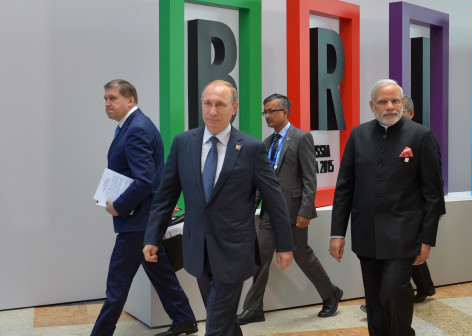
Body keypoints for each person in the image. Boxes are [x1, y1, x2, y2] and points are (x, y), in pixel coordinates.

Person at [143, 80, 294, 336]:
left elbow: (274, 199)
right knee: (222, 319)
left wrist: (285, 244)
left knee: (215, 324)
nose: (213, 111)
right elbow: (166, 196)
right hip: (197, 249)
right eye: (208, 104)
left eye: (220, 105)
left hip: (234, 251)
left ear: (234, 108)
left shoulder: (251, 148)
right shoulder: (183, 143)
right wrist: (152, 237)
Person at [329, 79, 444, 336]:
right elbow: (344, 187)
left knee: (394, 291)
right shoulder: (358, 135)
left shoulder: (421, 136)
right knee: (375, 298)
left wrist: (427, 240)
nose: (390, 106)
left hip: (404, 235)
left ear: (403, 103)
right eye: (383, 101)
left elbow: (433, 194)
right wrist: (337, 233)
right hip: (366, 234)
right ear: (372, 105)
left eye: (395, 101)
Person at [91, 79, 197, 336]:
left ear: (130, 100)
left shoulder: (136, 129)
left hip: (137, 221)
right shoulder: (131, 126)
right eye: (105, 98)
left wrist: (119, 206)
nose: (107, 104)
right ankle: (184, 319)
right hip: (144, 218)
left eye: (112, 98)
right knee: (159, 270)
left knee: (117, 284)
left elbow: (144, 180)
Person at [237, 94, 342, 325]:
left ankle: (330, 293)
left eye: (272, 111)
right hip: (268, 214)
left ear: (286, 113)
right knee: (260, 259)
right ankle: (253, 309)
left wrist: (306, 210)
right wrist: (250, 208)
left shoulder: (301, 138)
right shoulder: (266, 143)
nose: (267, 116)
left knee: (302, 255)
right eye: (265, 112)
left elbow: (309, 178)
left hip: (293, 211)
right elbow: (261, 180)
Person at [402, 94, 439, 303]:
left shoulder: (423, 136)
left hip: (419, 206)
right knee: (411, 251)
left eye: (401, 110)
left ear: (411, 113)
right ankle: (425, 286)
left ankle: (385, 298)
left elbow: (435, 176)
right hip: (402, 207)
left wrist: (437, 209)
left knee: (409, 251)